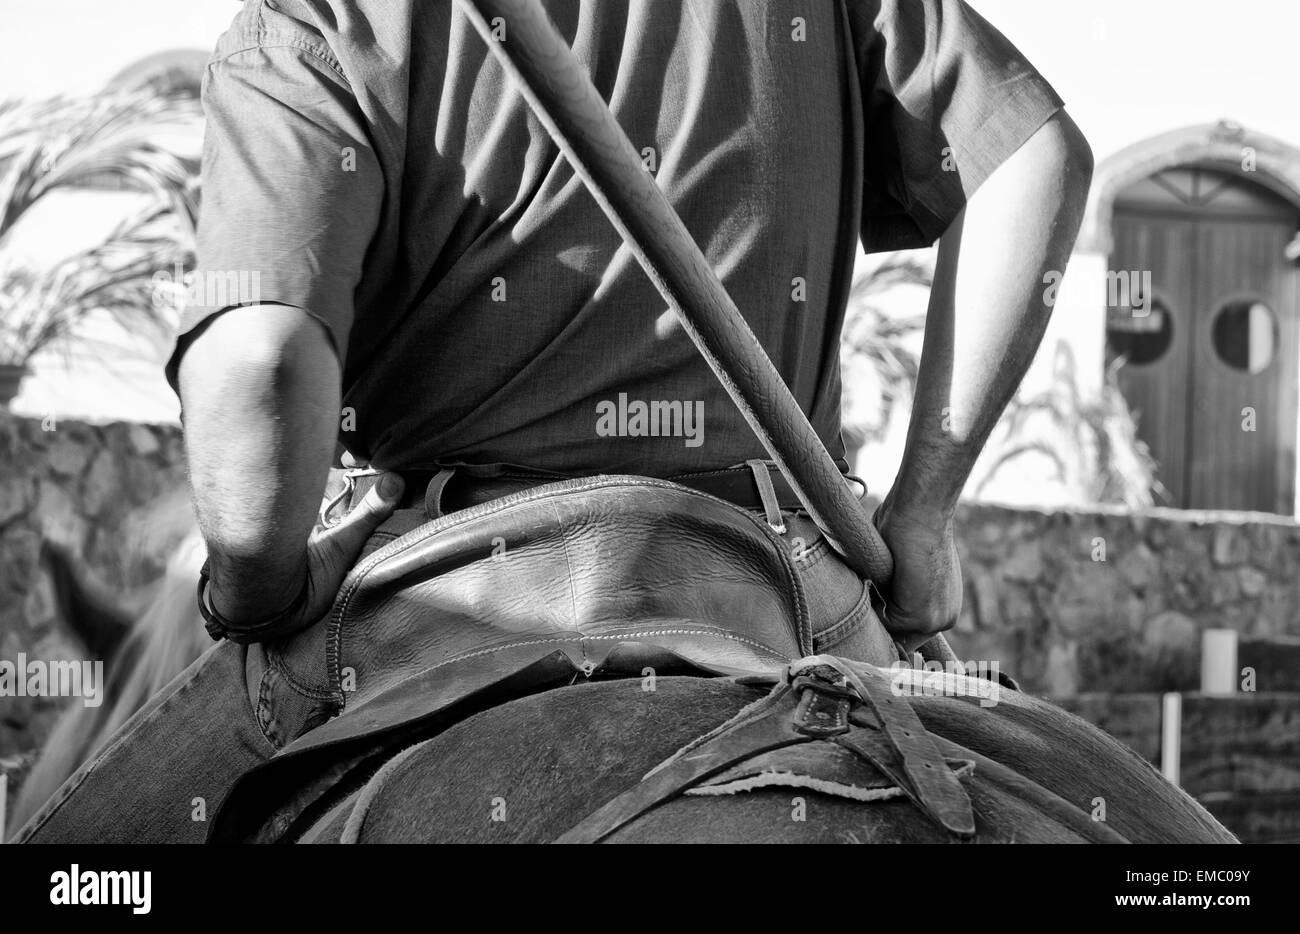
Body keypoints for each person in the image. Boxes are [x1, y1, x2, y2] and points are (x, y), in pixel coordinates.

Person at [15, 0, 1091, 843]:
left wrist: (258, 588)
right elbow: (1037, 158)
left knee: (88, 868)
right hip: (786, 582)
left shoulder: (316, 21)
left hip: (458, 589)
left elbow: (257, 366)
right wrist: (920, 515)